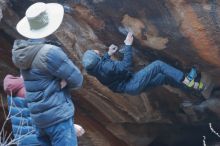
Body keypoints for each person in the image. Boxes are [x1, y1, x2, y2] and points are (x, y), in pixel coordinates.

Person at [12, 2, 83, 146]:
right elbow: (77, 79)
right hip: (58, 117)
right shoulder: (50, 52)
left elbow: (38, 81)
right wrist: (62, 82)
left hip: (39, 119)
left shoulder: (23, 53)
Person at [82, 32, 204, 95]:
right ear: (96, 57)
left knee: (164, 77)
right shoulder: (106, 67)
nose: (95, 51)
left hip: (130, 88)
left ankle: (193, 88)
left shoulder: (94, 70)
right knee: (158, 65)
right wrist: (128, 45)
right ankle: (187, 80)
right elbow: (126, 65)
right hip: (132, 83)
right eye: (93, 52)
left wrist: (108, 54)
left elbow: (103, 65)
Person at [3, 75, 85, 146]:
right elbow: (44, 117)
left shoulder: (14, 89)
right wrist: (69, 127)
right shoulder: (31, 92)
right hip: (36, 140)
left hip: (23, 141)